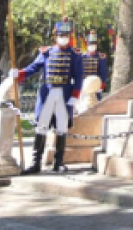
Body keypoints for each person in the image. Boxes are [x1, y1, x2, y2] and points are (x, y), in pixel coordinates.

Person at [8, 18, 84, 174]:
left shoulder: (75, 55)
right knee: (41, 125)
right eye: (61, 34)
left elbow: (79, 76)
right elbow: (34, 67)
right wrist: (20, 73)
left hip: (64, 93)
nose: (63, 37)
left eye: (66, 35)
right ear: (55, 35)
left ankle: (58, 162)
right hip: (47, 92)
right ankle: (36, 163)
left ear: (69, 36)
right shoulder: (47, 52)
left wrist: (75, 94)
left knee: (61, 127)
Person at [81, 31, 109, 102]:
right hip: (84, 85)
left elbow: (103, 71)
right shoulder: (82, 57)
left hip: (96, 85)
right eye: (90, 44)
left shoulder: (101, 57)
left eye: (93, 44)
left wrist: (102, 84)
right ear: (87, 44)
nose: (92, 45)